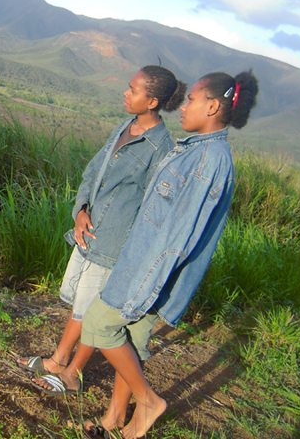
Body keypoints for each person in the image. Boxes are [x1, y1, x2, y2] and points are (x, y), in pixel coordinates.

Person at [77, 70, 259, 438]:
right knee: (131, 342)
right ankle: (115, 420)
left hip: (150, 270)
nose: (184, 106)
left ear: (211, 105)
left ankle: (149, 402)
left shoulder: (209, 160)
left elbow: (178, 236)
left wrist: (140, 283)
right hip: (152, 268)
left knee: (98, 323)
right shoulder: (201, 150)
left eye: (191, 99)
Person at [15, 66, 186, 394]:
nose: (126, 93)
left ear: (151, 101)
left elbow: (153, 208)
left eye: (133, 90)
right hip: (91, 230)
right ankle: (58, 359)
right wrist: (80, 210)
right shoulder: (126, 126)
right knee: (81, 300)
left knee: (92, 308)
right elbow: (94, 171)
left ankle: (71, 373)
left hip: (114, 241)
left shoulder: (160, 147)